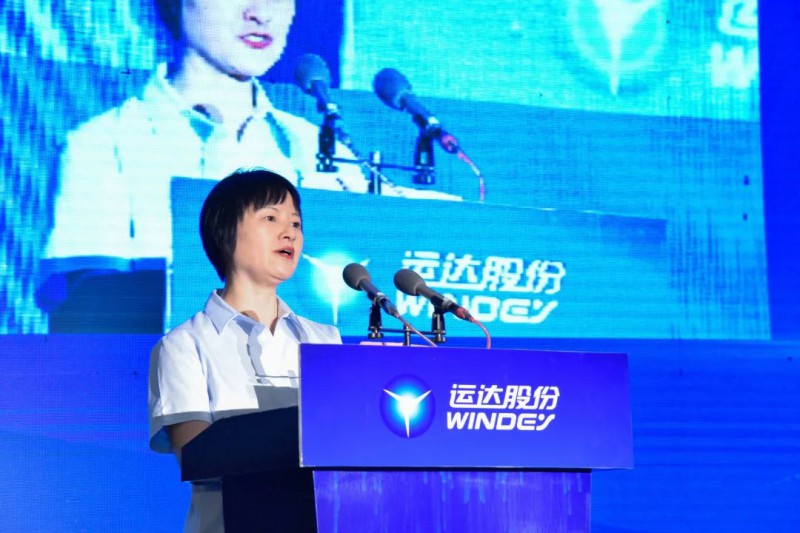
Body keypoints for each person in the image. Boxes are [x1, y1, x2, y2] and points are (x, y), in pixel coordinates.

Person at [40, 0, 455, 331]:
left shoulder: (312, 144)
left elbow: (372, 254)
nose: (261, 13)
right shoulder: (102, 143)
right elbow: (84, 307)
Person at [148, 168, 341, 532]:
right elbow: (196, 454)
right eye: (271, 218)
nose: (290, 233)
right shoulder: (185, 344)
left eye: (296, 224)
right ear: (226, 232)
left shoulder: (324, 339)